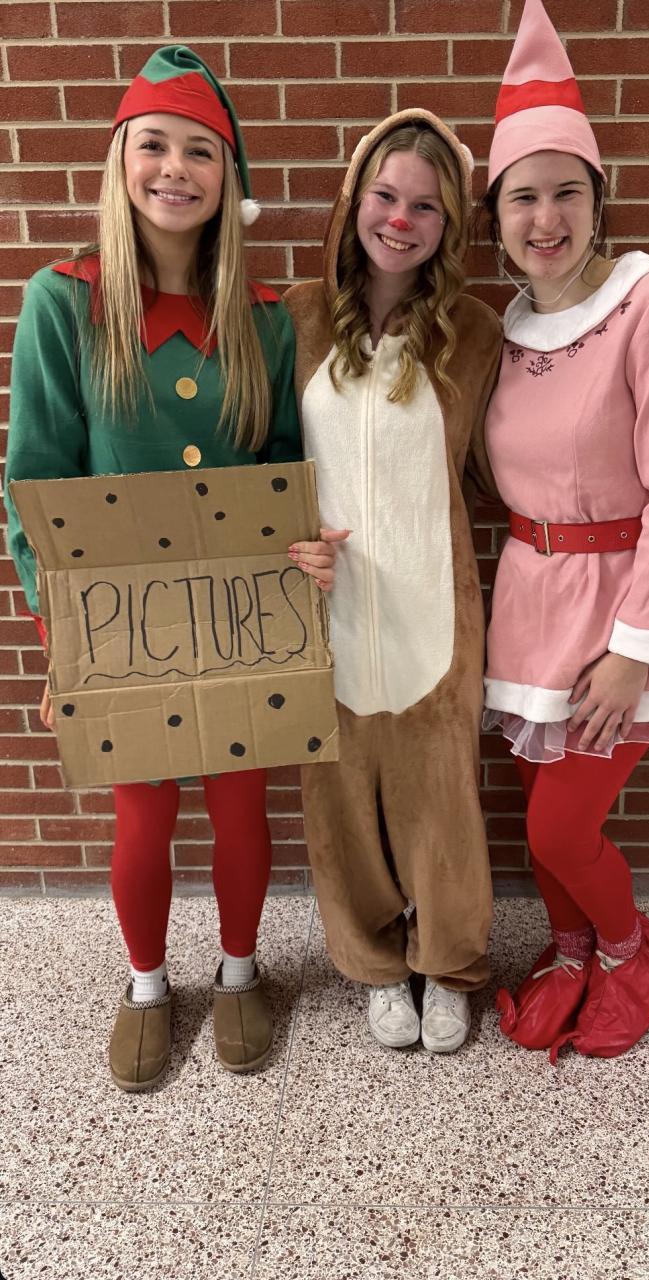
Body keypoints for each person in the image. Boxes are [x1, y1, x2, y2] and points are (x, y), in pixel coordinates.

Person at [5, 46, 343, 1091]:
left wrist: (308, 547)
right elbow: (35, 483)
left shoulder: (265, 319)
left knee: (242, 808)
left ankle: (241, 971)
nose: (175, 169)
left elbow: (284, 466)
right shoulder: (64, 303)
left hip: (241, 615)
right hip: (121, 623)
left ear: (228, 180)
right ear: (120, 160)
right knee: (143, 814)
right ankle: (147, 983)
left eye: (201, 151)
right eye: (153, 143)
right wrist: (62, 640)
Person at [478, 0, 649, 1061]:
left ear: (596, 198)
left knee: (560, 825)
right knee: (535, 813)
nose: (545, 218)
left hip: (618, 610)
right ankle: (569, 950)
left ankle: (629, 948)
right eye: (521, 196)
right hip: (528, 606)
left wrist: (634, 651)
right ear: (495, 217)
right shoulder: (506, 330)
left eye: (564, 191)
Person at [284, 110, 503, 1053]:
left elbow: (500, 468)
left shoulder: (475, 333)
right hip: (324, 609)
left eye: (426, 207)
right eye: (385, 196)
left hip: (433, 608)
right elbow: (264, 462)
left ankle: (449, 963)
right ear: (354, 201)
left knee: (442, 799)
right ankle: (374, 964)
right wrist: (287, 543)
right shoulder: (293, 320)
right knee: (337, 800)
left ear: (449, 225)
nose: (400, 220)